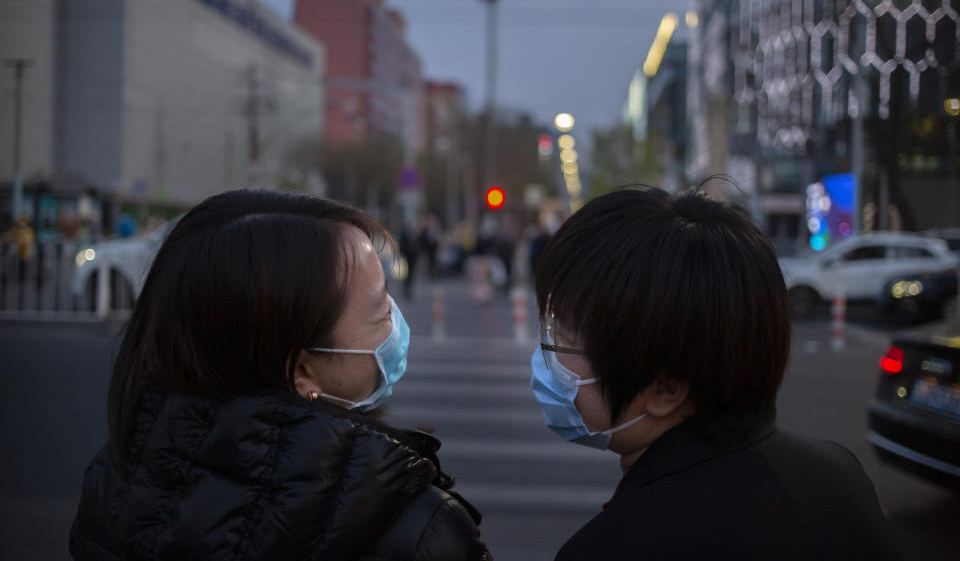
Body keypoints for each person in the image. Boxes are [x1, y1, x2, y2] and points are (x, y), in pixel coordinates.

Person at [70, 190, 489, 560]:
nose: (395, 322)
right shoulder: (422, 532)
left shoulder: (113, 486)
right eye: (381, 310)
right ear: (302, 371)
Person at [529, 187, 901, 560]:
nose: (545, 357)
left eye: (561, 340)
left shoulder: (613, 547)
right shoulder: (838, 474)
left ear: (665, 388)